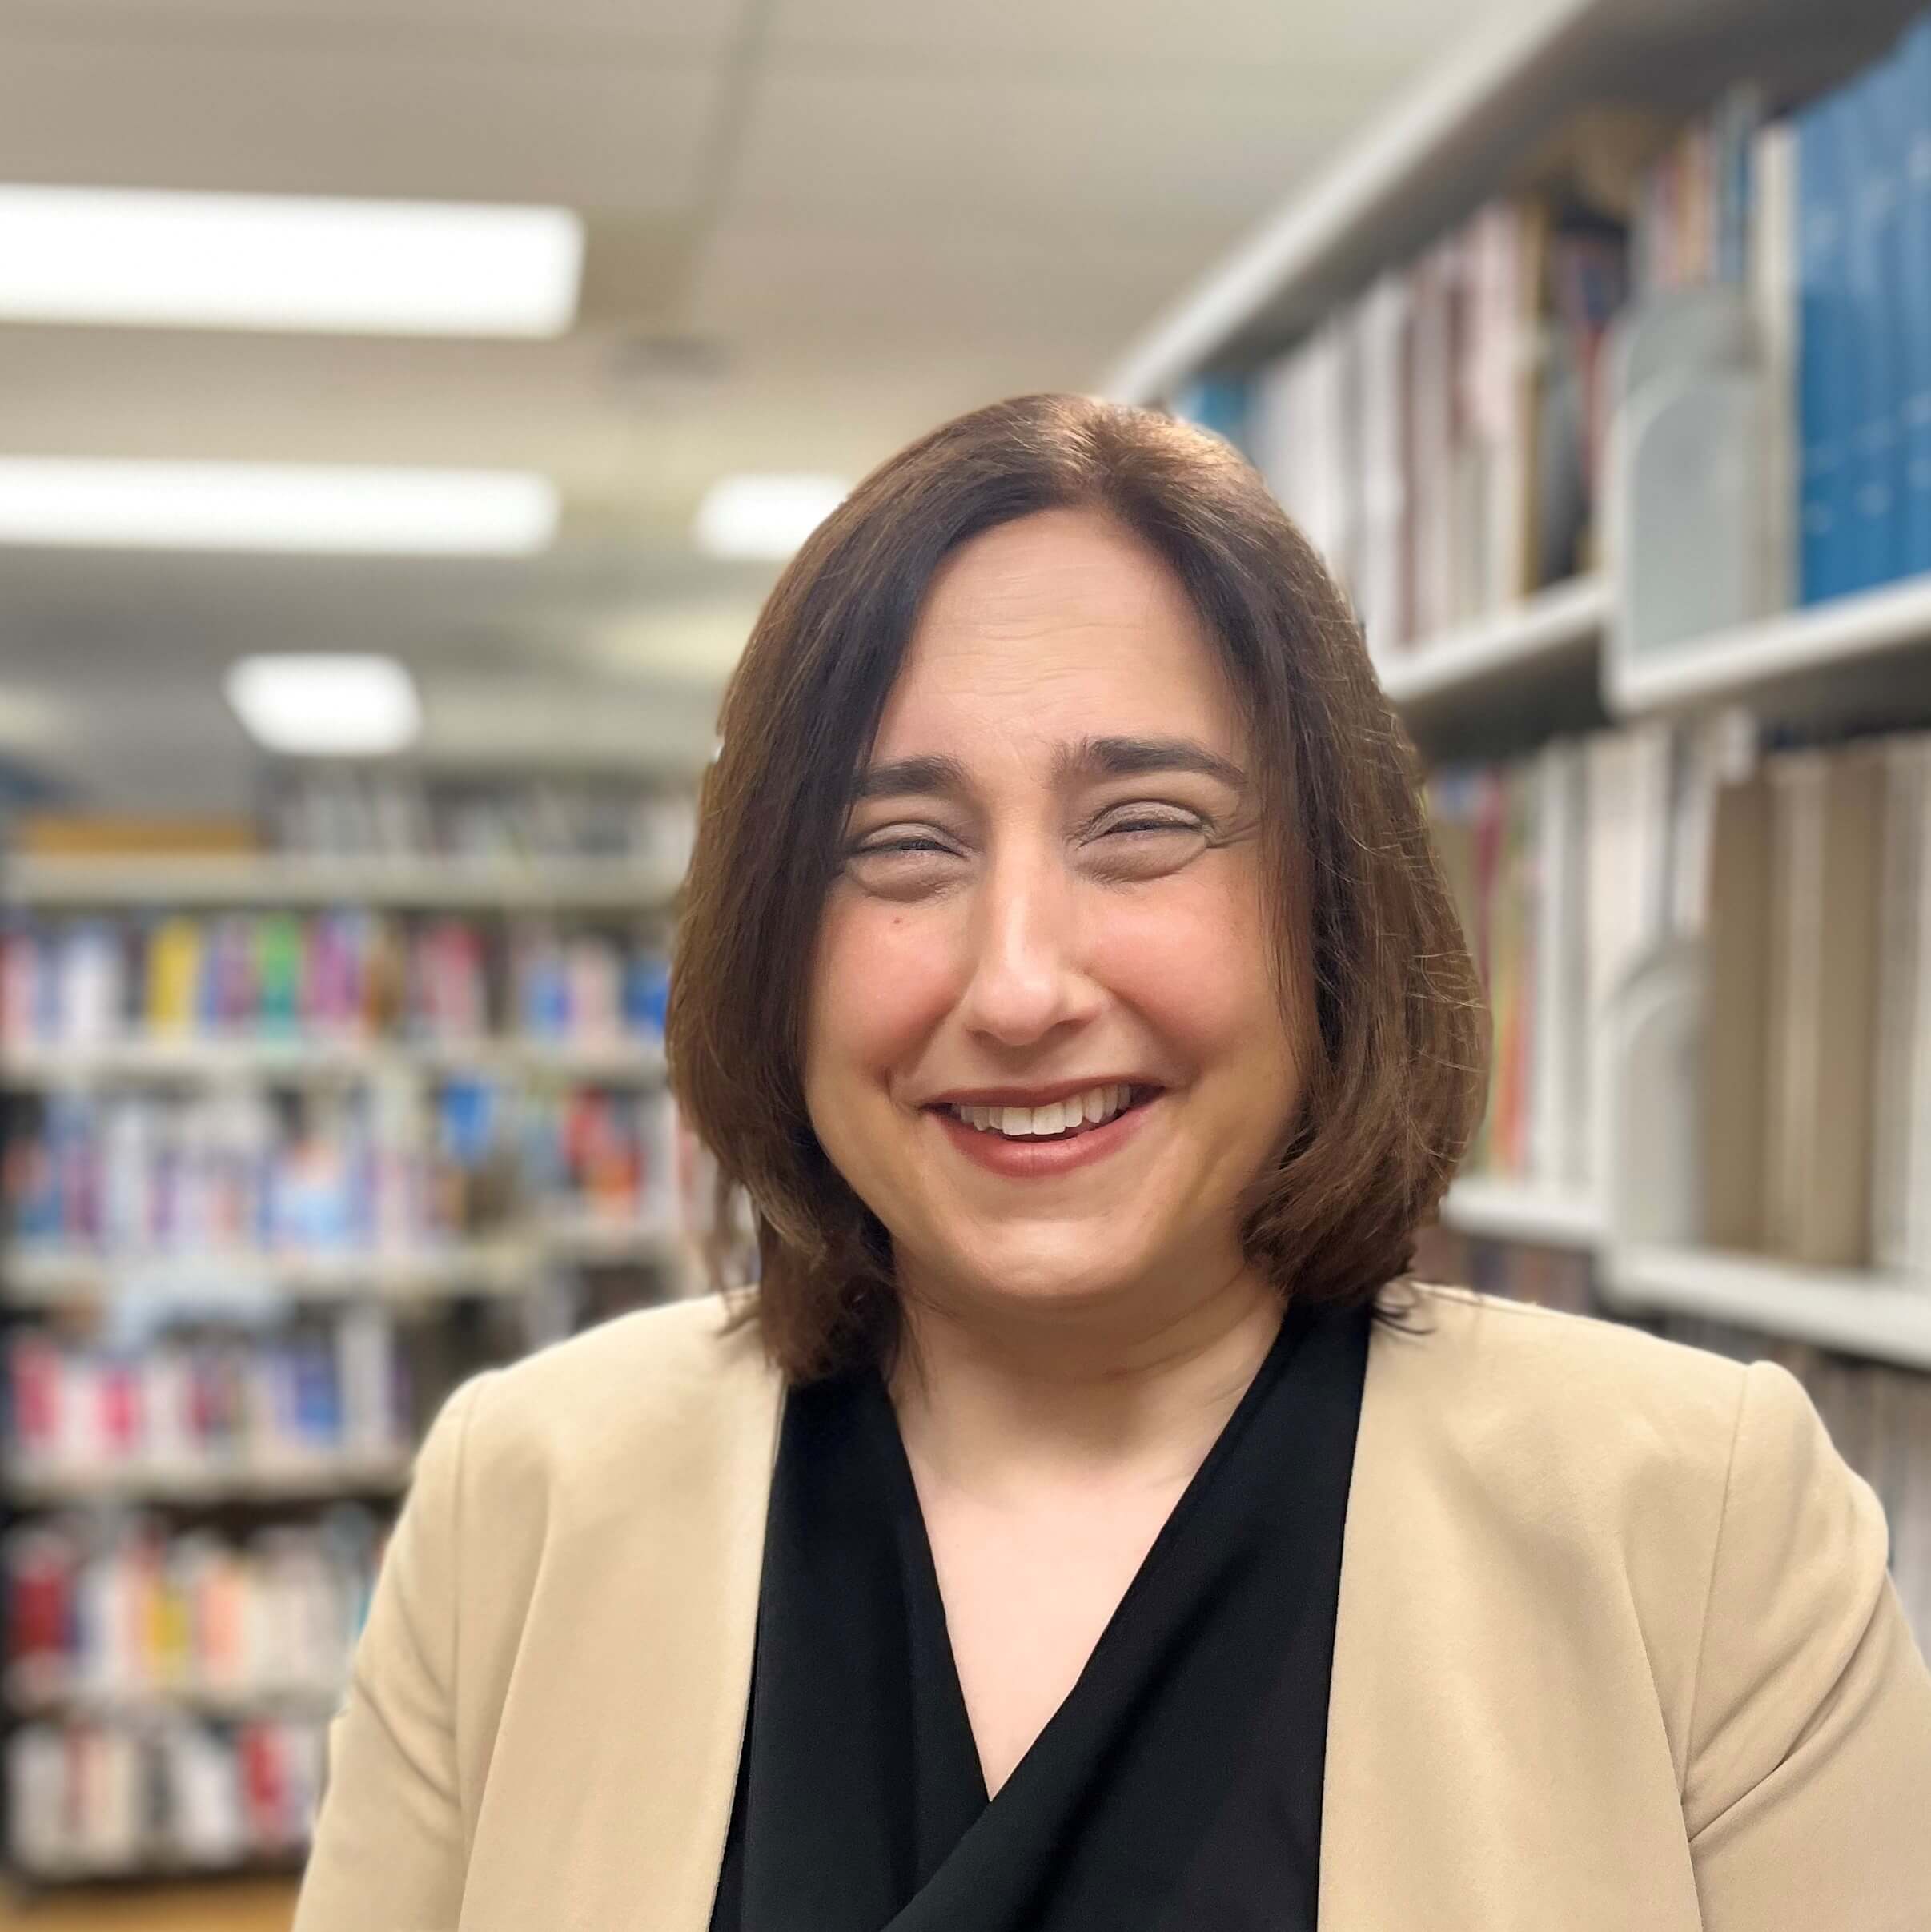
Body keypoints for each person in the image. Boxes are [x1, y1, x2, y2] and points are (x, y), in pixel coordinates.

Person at [292, 394, 1931, 1932]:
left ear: (1328, 906)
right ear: (776, 948)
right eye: (900, 849)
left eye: (1145, 823)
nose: (1018, 984)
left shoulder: (1707, 1534)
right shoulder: (519, 1499)